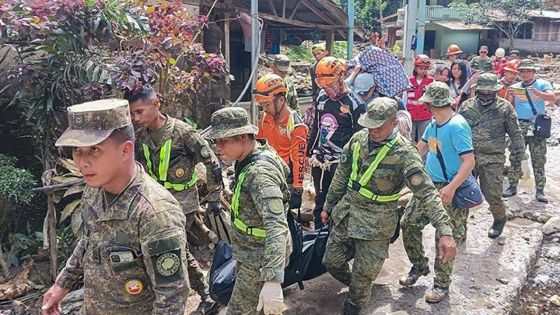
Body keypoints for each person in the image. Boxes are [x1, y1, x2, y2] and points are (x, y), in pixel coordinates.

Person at [41, 99, 189, 315]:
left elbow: (172, 298)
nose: (82, 163)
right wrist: (62, 284)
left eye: (94, 150)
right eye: (76, 150)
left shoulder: (155, 213)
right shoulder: (94, 189)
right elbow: (88, 241)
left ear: (125, 151)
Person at [320, 97, 457, 314]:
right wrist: (328, 206)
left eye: (378, 126)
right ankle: (359, 286)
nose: (372, 131)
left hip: (377, 223)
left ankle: (356, 302)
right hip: (347, 212)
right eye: (369, 125)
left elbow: (428, 194)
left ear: (394, 123)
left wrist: (445, 231)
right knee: (332, 261)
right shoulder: (357, 140)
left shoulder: (405, 154)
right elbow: (341, 175)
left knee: (363, 276)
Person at [126, 85, 222, 315]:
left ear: (155, 104)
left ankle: (188, 298)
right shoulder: (140, 136)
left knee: (170, 252)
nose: (135, 118)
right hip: (152, 205)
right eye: (132, 114)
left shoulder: (182, 132)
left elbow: (212, 164)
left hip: (182, 205)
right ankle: (207, 294)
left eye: (139, 112)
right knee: (177, 250)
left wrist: (214, 197)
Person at [205, 107, 291, 315]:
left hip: (260, 257)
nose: (218, 147)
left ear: (243, 137)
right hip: (250, 250)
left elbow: (276, 226)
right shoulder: (255, 154)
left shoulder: (260, 174)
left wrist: (272, 279)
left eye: (223, 140)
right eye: (215, 141)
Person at [400, 82, 475, 303]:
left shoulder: (457, 126)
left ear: (433, 104)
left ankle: (442, 284)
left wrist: (451, 188)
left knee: (444, 237)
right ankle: (419, 265)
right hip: (429, 186)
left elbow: (469, 161)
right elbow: (422, 148)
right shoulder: (435, 124)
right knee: (409, 223)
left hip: (451, 188)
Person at [459, 73, 525, 238]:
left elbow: (515, 133)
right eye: (483, 91)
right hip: (468, 158)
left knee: (492, 193)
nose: (486, 95)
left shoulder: (505, 108)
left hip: (493, 159)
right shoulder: (466, 107)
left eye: (490, 92)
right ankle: (460, 228)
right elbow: (457, 131)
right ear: (477, 90)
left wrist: (520, 155)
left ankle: (499, 218)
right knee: (462, 192)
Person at [308, 56, 366, 229]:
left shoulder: (356, 105)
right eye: (323, 85)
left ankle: (336, 241)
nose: (327, 89)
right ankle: (317, 242)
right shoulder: (322, 98)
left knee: (337, 204)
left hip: (340, 163)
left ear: (341, 77)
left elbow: (360, 140)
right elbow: (316, 127)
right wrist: (308, 153)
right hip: (320, 161)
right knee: (319, 201)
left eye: (330, 84)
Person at [503, 59, 558, 203]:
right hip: (519, 123)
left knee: (538, 158)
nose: (525, 74)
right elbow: (507, 105)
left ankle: (540, 190)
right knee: (515, 156)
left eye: (528, 71)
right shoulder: (515, 86)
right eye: (522, 71)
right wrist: (509, 95)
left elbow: (553, 98)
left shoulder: (542, 84)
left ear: (533, 72)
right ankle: (512, 186)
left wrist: (539, 94)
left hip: (537, 124)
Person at [255, 73, 308, 210]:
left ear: (281, 100)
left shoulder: (295, 125)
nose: (264, 108)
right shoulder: (265, 117)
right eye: (262, 105)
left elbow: (299, 158)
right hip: (267, 172)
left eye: (267, 104)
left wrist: (297, 189)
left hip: (286, 178)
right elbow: (259, 144)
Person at [407, 54, 434, 143]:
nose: (423, 71)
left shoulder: (431, 81)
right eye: (421, 68)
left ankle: (425, 157)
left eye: (425, 68)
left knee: (425, 141)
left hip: (425, 116)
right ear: (416, 68)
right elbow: (405, 98)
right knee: (409, 140)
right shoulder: (409, 81)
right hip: (411, 115)